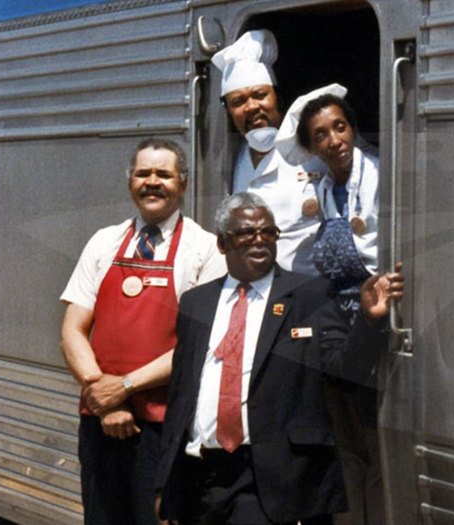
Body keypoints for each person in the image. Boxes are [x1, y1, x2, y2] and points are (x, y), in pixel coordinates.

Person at [155, 192, 404, 525]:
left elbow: (343, 371)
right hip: (201, 477)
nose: (259, 241)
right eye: (246, 233)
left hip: (272, 479)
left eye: (268, 232)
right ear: (223, 244)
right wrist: (164, 484)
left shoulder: (309, 295)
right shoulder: (196, 303)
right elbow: (181, 395)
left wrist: (369, 321)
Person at [59, 138, 227, 525]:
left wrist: (126, 387)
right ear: (131, 182)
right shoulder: (104, 241)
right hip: (100, 419)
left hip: (165, 426)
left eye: (163, 174)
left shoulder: (204, 250)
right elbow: (73, 328)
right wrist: (102, 396)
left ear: (183, 184)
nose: (153, 182)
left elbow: (198, 345)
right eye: (143, 173)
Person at [276, 86, 382, 525]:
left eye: (340, 127)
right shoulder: (324, 187)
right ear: (313, 146)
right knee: (345, 440)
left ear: (353, 129)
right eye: (321, 134)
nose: (334, 140)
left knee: (375, 438)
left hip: (376, 314)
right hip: (338, 317)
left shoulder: (376, 174)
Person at [211, 29, 325, 275]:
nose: (251, 107)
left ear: (278, 98)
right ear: (229, 111)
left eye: (260, 95)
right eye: (238, 102)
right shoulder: (231, 159)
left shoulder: (315, 150)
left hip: (308, 297)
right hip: (252, 291)